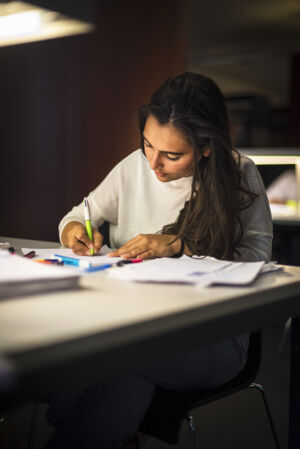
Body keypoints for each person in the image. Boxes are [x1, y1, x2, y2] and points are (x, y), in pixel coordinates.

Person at [45, 72, 272, 449]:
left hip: (211, 335)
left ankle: (70, 420)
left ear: (206, 148)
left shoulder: (238, 173)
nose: (153, 164)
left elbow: (258, 261)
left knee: (113, 358)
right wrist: (73, 231)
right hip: (132, 323)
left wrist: (181, 245)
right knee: (115, 357)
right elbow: (77, 214)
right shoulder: (134, 165)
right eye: (147, 144)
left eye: (172, 155)